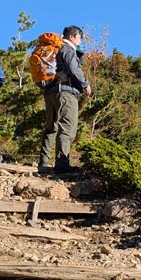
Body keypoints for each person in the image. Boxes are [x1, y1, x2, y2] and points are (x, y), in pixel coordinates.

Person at [39, 26, 91, 173]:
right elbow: (74, 69)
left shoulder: (55, 49)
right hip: (66, 93)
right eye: (79, 38)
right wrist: (85, 84)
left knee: (50, 127)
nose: (80, 41)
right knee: (67, 127)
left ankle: (43, 163)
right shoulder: (67, 49)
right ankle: (62, 165)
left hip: (50, 91)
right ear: (73, 37)